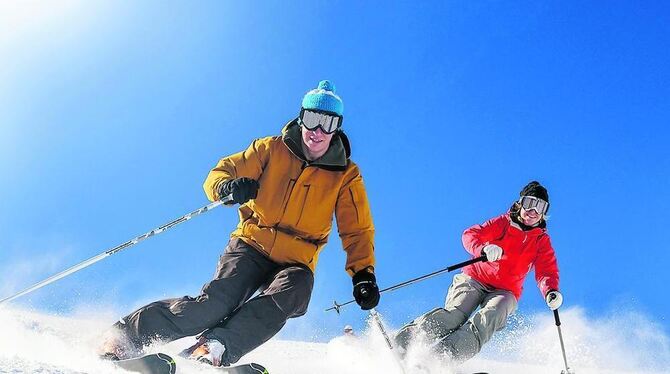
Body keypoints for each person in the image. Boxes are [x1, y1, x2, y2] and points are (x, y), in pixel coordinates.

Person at [99, 80, 380, 367]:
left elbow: (357, 228)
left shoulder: (346, 175)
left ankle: (214, 347)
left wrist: (363, 274)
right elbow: (223, 170)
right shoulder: (271, 149)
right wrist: (227, 187)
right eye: (312, 119)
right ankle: (125, 337)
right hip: (251, 244)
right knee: (214, 306)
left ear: (337, 128)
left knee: (296, 289)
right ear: (301, 118)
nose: (318, 131)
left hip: (296, 260)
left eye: (328, 123)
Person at [394, 181, 562, 362]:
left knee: (488, 319)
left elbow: (547, 270)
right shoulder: (503, 223)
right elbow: (470, 234)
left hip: (505, 291)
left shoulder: (541, 241)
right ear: (520, 203)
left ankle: (442, 358)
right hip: (475, 278)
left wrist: (550, 290)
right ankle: (404, 343)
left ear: (545, 213)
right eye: (530, 203)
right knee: (456, 314)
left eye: (540, 207)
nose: (533, 211)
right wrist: (483, 249)